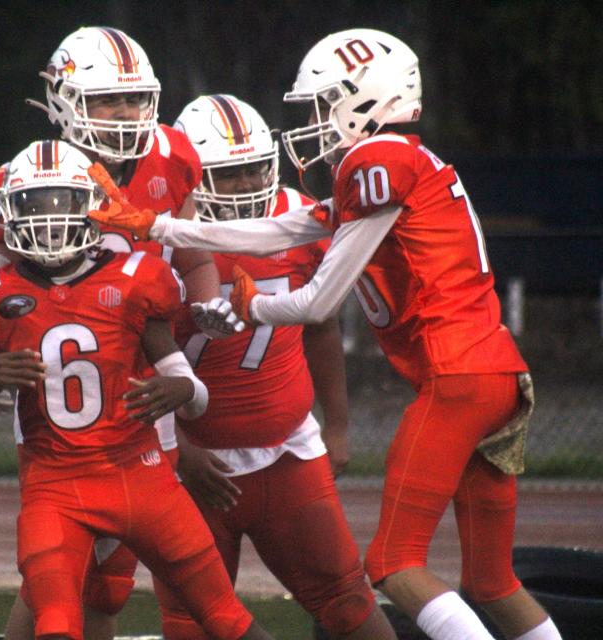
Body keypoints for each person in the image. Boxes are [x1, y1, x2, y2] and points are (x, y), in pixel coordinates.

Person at [89, 28, 560, 640]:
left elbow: (319, 304)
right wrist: (159, 227)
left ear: (361, 98)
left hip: (446, 377)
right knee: (493, 580)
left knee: (389, 565)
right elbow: (278, 232)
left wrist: (256, 309)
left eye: (320, 105)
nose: (313, 123)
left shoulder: (375, 161)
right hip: (495, 369)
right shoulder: (397, 166)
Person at [0, 26, 233, 639]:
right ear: (65, 102)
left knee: (101, 585)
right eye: (105, 100)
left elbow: (195, 254)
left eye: (132, 98)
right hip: (60, 406)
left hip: (143, 389)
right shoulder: (28, 179)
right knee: (68, 575)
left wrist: (202, 310)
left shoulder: (173, 156)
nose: (125, 114)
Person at [152, 94, 396, 640]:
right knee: (193, 625)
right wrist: (179, 449)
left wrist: (337, 425)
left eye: (253, 170)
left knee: (348, 602)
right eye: (228, 173)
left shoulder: (298, 217)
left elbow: (321, 323)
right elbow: (127, 356)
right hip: (194, 468)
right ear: (191, 175)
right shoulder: (161, 236)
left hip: (287, 453)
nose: (243, 185)